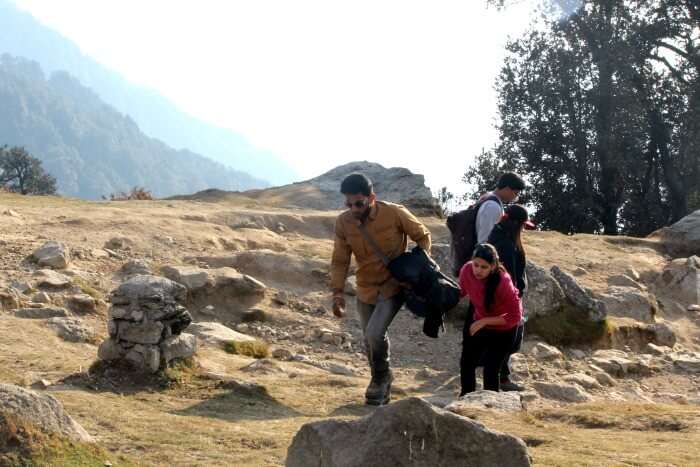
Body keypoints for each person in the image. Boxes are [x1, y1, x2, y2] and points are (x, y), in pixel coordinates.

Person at [330, 173, 432, 405]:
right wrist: (337, 292)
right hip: (365, 287)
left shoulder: (394, 212)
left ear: (372, 197)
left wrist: (416, 270)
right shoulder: (343, 222)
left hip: (393, 285)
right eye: (348, 203)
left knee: (375, 333)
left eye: (358, 203)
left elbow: (423, 236)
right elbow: (339, 260)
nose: (353, 208)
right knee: (369, 339)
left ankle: (381, 378)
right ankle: (380, 380)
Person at [458, 243, 523, 395]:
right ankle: (466, 399)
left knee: (491, 369)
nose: (478, 270)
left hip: (504, 329)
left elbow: (515, 317)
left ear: (493, 266)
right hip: (481, 323)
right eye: (476, 265)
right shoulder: (467, 270)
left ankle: (491, 406)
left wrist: (484, 321)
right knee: (467, 363)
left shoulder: (503, 281)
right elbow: (460, 291)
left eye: (484, 267)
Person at [487, 204, 534, 391]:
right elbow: (512, 278)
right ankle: (502, 380)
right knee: (509, 341)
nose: (523, 229)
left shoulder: (497, 237)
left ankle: (500, 378)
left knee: (505, 340)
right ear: (515, 224)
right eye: (523, 226)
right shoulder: (506, 245)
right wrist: (515, 300)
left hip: (501, 297)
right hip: (508, 299)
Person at [475, 172, 526, 244]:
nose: (516, 197)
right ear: (507, 188)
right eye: (516, 193)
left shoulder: (487, 197)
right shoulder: (493, 207)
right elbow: (484, 240)